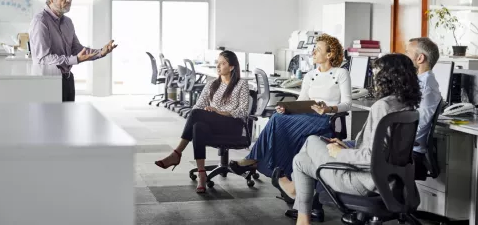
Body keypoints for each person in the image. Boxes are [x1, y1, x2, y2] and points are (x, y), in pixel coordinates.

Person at [281, 54, 421, 225]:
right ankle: (303, 220)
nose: (374, 81)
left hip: (363, 181)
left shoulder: (382, 106)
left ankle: (296, 194)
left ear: (388, 78)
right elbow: (381, 150)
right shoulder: (405, 104)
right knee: (301, 161)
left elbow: (373, 158)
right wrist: (348, 148)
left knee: (311, 140)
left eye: (377, 75)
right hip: (388, 181)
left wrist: (340, 154)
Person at [229, 34, 352, 181]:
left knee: (278, 121)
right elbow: (301, 101)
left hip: (325, 118)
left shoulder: (341, 73)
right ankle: (265, 164)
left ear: (329, 54)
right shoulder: (310, 75)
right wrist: (287, 108)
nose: (313, 52)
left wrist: (329, 109)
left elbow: (347, 104)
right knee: (278, 116)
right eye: (314, 49)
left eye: (318, 50)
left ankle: (255, 160)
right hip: (306, 115)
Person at [155, 51, 250, 194]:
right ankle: (201, 173)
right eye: (217, 62)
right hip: (214, 124)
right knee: (198, 125)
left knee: (196, 115)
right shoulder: (212, 84)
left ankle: (176, 154)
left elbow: (243, 111)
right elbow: (198, 107)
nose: (218, 66)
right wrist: (208, 112)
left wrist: (219, 112)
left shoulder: (241, 84)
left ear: (231, 67)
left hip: (232, 125)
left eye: (223, 63)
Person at [29, 0, 117, 102]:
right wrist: (75, 59)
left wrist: (100, 52)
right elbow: (43, 58)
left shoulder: (68, 22)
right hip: (47, 82)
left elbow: (76, 48)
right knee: (50, 120)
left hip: (67, 79)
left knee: (67, 119)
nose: (69, 0)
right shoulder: (40, 21)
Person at [405, 37, 442, 179]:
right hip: (400, 146)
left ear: (420, 58)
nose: (405, 56)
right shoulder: (416, 82)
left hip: (408, 151)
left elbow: (419, 125)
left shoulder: (427, 88)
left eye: (408, 52)